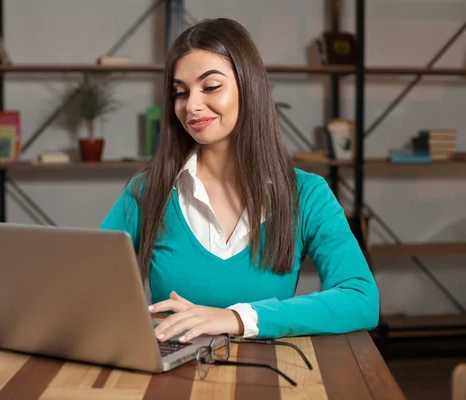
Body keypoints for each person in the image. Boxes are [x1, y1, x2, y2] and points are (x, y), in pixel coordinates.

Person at [99, 18, 379, 343]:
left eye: (211, 87)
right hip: (170, 377)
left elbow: (361, 300)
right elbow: (85, 281)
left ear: (249, 87)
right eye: (180, 92)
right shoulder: (148, 191)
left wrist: (235, 318)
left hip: (268, 377)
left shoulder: (307, 195)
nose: (191, 105)